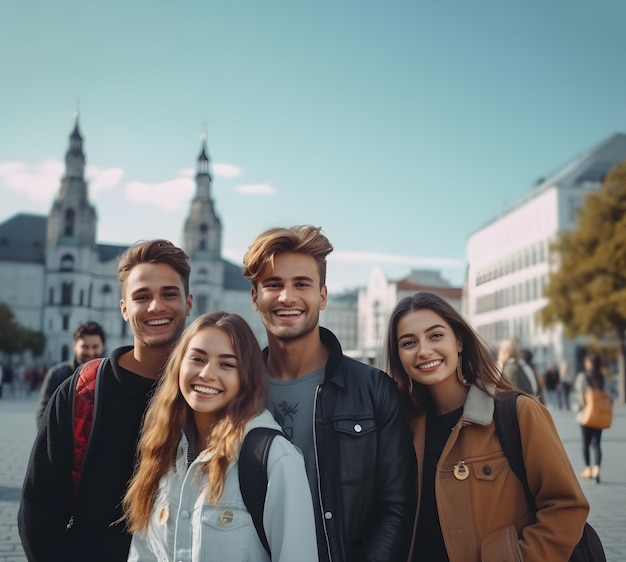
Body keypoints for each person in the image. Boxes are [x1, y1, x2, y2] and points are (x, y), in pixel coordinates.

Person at [242, 225, 416, 562]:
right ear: (254, 297)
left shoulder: (373, 390)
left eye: (301, 284)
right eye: (273, 284)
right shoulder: (237, 394)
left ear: (322, 295)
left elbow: (396, 506)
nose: (286, 297)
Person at [18, 239, 193, 562]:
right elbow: (39, 507)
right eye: (142, 296)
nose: (156, 306)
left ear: (189, 302)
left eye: (169, 293)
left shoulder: (206, 394)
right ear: (124, 307)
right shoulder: (82, 392)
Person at [385, 291, 589, 562]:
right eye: (409, 342)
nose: (424, 350)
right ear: (398, 355)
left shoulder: (518, 413)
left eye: (435, 336)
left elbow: (566, 506)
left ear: (458, 341)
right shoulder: (403, 428)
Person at [123, 311, 318, 561]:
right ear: (179, 365)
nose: (206, 373)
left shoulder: (275, 459)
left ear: (246, 377)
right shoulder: (162, 450)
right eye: (197, 359)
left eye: (226, 364)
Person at [35, 321, 106, 428]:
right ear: (74, 346)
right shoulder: (56, 375)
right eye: (85, 347)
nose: (90, 352)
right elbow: (43, 414)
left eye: (95, 347)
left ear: (102, 346)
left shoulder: (110, 376)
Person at [575, 353, 616, 484]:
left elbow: (581, 397)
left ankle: (588, 469)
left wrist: (585, 406)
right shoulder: (604, 379)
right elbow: (612, 395)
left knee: (585, 443)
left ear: (589, 364)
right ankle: (597, 469)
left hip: (586, 415)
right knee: (596, 443)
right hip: (600, 416)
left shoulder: (583, 377)